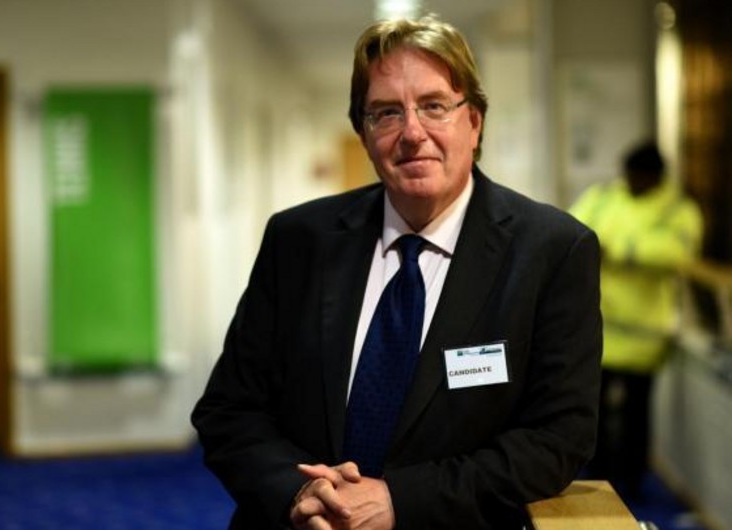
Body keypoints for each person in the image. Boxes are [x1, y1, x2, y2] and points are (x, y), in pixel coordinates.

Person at [192, 15, 602, 530]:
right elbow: (228, 410)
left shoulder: (552, 251)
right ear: (364, 134)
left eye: (434, 106)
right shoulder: (298, 240)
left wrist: (400, 501)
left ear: (474, 122)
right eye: (386, 112)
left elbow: (557, 439)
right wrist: (298, 492)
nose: (412, 132)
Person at [570, 141, 703, 500]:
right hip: (600, 331)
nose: (632, 182)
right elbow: (572, 232)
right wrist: (609, 248)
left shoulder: (677, 210)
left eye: (640, 177)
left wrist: (619, 250)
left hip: (644, 340)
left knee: (635, 416)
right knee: (590, 412)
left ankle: (632, 485)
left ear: (656, 178)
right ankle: (595, 480)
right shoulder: (603, 197)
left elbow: (675, 253)